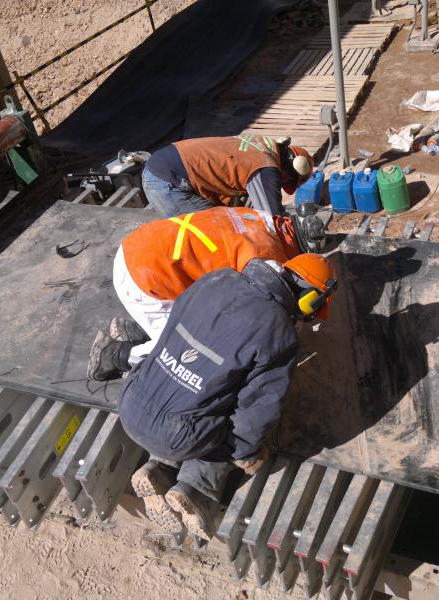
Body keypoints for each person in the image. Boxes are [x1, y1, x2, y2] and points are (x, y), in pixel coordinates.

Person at [118, 253, 338, 539]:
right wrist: (243, 453)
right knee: (230, 428)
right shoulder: (278, 331)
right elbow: (258, 407)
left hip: (131, 399)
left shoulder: (216, 279)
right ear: (309, 300)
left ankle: (157, 468)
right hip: (175, 435)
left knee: (191, 392)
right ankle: (196, 490)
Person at [87, 203, 326, 381]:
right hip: (143, 279)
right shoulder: (263, 259)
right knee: (191, 349)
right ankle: (117, 354)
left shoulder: (257, 218)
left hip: (138, 246)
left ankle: (139, 329)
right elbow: (247, 317)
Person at [141, 135, 315, 217]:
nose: (281, 183)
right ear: (290, 173)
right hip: (168, 182)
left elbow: (227, 176)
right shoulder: (266, 167)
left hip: (162, 167)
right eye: (286, 181)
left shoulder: (261, 144)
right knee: (218, 232)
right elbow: (270, 218)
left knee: (227, 219)